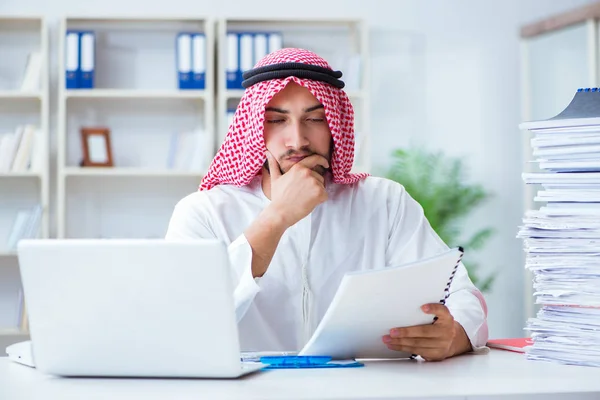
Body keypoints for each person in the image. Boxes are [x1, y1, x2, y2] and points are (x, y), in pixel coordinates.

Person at [165, 48, 488, 361]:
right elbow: (184, 320)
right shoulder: (204, 212)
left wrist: (454, 336)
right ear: (253, 128)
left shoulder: (383, 202)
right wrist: (277, 217)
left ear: (335, 126)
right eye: (277, 120)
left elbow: (461, 294)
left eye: (315, 119)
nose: (297, 140)